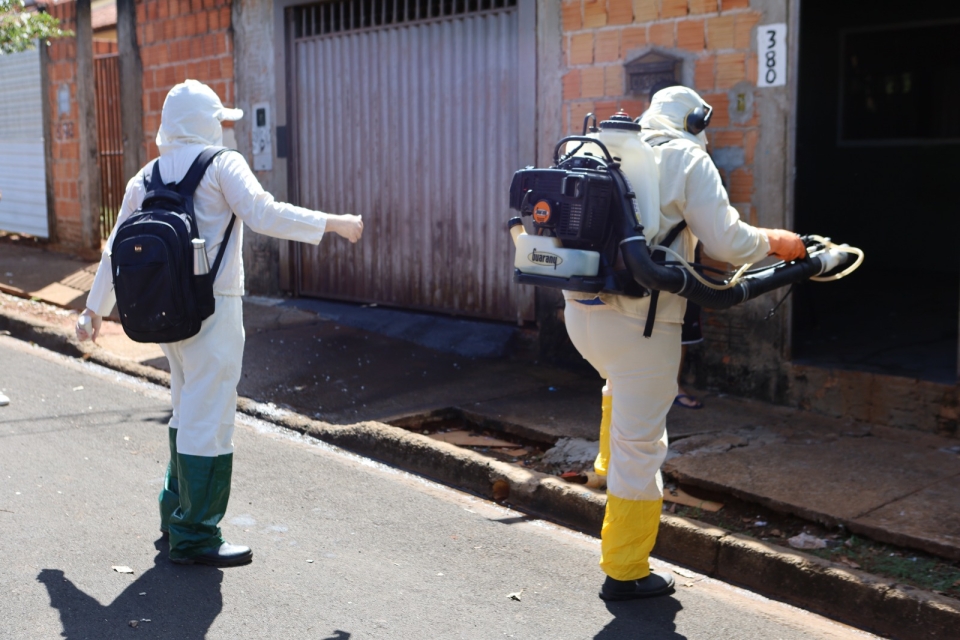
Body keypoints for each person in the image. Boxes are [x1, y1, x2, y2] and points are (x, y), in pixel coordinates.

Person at [75, 80, 364, 567]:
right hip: (215, 306)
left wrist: (93, 310)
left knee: (187, 409)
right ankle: (196, 535)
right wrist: (333, 222)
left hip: (163, 314)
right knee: (210, 417)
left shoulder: (144, 178)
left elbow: (113, 248)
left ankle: (175, 514)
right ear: (208, 123)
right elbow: (263, 212)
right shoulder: (221, 165)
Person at [563, 86, 805, 600]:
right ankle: (626, 571)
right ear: (696, 120)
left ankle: (605, 467)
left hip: (580, 316)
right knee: (642, 447)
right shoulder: (686, 157)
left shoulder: (593, 146)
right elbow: (727, 244)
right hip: (641, 326)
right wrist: (777, 242)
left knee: (617, 384)